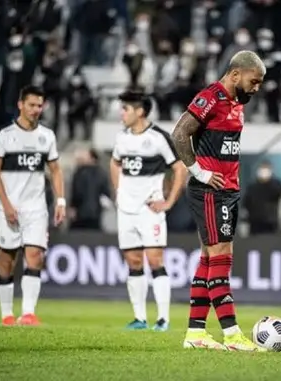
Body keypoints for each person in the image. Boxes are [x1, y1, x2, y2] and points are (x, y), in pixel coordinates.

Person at [171, 50, 266, 351]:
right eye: (254, 81)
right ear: (236, 74)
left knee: (210, 258)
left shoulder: (237, 102)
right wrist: (198, 171)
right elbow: (179, 133)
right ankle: (233, 334)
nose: (257, 88)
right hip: (211, 191)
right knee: (222, 258)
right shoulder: (210, 96)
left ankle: (195, 333)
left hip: (228, 190)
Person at [109, 90, 187, 332]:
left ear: (140, 112)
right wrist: (118, 191)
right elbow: (114, 162)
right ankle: (140, 318)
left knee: (155, 260)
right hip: (126, 210)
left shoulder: (158, 138)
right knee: (133, 261)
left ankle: (163, 319)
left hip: (149, 210)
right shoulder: (122, 138)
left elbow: (180, 169)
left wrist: (169, 202)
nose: (121, 113)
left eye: (126, 109)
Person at [0, 85, 66, 327]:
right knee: (6, 261)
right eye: (31, 105)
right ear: (20, 105)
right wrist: (6, 204)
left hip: (36, 208)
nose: (36, 110)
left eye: (39, 105)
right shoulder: (4, 134)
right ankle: (6, 315)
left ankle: (29, 314)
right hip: (9, 207)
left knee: (34, 256)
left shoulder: (47, 136)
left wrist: (60, 200)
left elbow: (55, 170)